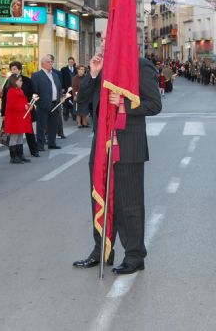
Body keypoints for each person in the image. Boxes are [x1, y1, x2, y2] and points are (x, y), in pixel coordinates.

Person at [72, 55, 162, 275]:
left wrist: (123, 103)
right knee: (99, 197)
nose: (104, 46)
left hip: (128, 145)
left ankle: (134, 255)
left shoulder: (140, 65)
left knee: (129, 203)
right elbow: (82, 100)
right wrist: (93, 74)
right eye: (102, 42)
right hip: (101, 143)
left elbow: (154, 104)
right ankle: (102, 249)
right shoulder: (103, 66)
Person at [2, 61, 40, 158]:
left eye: (14, 69)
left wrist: (30, 103)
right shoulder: (10, 85)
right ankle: (16, 156)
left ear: (19, 69)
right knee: (16, 135)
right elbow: (6, 100)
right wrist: (3, 112)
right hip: (16, 114)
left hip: (25, 112)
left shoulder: (26, 80)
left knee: (26, 132)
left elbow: (33, 92)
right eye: (11, 69)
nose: (12, 71)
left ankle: (32, 151)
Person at [31, 55, 62, 151]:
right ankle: (40, 145)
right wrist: (39, 103)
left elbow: (59, 88)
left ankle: (52, 143)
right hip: (43, 105)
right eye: (48, 62)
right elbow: (34, 91)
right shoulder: (37, 75)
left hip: (55, 104)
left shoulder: (55, 75)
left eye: (52, 62)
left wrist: (60, 97)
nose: (51, 63)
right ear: (42, 64)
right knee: (41, 126)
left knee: (53, 125)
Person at [4, 74, 33, 164]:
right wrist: (24, 106)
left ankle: (20, 155)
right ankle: (14, 157)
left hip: (20, 117)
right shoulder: (11, 91)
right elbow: (11, 106)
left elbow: (22, 102)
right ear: (14, 81)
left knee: (20, 136)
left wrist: (28, 105)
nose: (22, 82)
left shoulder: (19, 90)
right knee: (14, 137)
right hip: (14, 118)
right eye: (20, 80)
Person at [60, 57, 77, 122]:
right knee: (65, 103)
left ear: (73, 62)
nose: (71, 63)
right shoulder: (63, 69)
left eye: (72, 62)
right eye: (70, 62)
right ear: (68, 62)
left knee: (74, 102)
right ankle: (65, 115)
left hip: (74, 89)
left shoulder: (76, 69)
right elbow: (61, 79)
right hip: (66, 89)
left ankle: (74, 115)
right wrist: (62, 88)